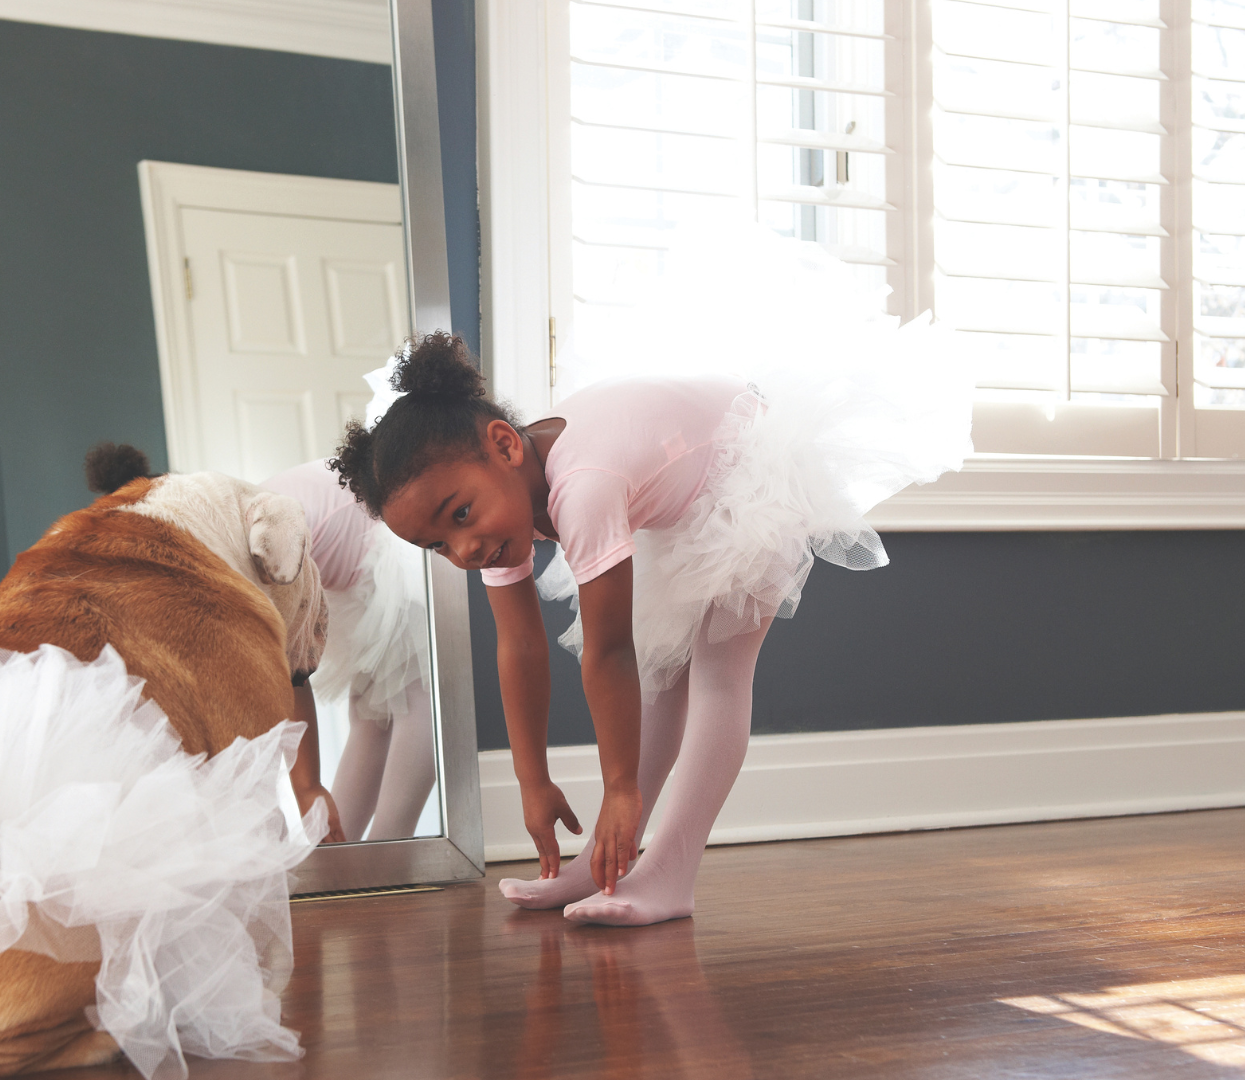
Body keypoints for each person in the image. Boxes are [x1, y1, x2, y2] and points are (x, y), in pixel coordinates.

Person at [327, 231, 971, 926]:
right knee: (663, 679)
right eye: (436, 545)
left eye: (459, 515)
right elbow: (519, 647)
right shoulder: (501, 511)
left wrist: (619, 790)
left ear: (506, 447)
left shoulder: (584, 485)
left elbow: (608, 653)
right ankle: (604, 864)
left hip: (748, 462)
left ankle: (671, 872)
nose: (463, 548)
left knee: (717, 673)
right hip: (673, 495)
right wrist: (532, 780)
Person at [264, 459, 435, 842]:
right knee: (369, 713)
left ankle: (389, 849)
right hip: (347, 559)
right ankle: (340, 857)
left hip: (384, 541)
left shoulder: (249, 549)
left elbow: (292, 677)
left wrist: (306, 788)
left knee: (417, 700)